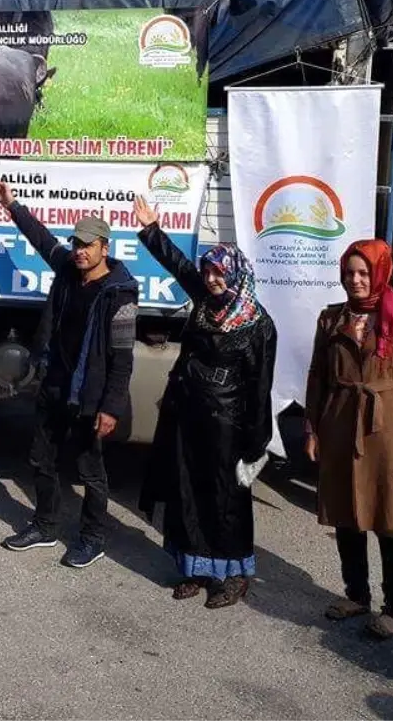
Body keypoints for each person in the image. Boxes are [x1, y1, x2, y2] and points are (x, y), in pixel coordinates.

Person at [132, 195, 277, 609]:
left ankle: (232, 577)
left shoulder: (257, 325)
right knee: (186, 492)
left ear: (235, 274)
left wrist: (255, 444)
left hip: (228, 427)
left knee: (225, 499)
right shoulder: (205, 304)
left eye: (219, 273)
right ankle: (194, 568)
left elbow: (260, 387)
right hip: (187, 417)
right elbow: (177, 264)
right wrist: (151, 230)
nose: (212, 279)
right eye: (209, 272)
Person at [0, 179, 139, 569]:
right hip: (54, 386)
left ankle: (92, 539)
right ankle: (45, 525)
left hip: (89, 397)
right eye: (76, 244)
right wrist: (13, 205)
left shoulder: (120, 293)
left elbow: (123, 358)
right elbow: (42, 239)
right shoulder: (68, 271)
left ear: (105, 248)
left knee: (91, 473)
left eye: (88, 245)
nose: (79, 251)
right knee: (42, 460)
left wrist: (111, 407)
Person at [304, 238, 393, 640]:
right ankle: (356, 594)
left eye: (364, 273)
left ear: (381, 273)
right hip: (341, 426)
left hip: (389, 433)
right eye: (349, 273)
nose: (355, 280)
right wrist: (313, 428)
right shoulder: (331, 320)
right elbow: (317, 377)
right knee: (347, 517)